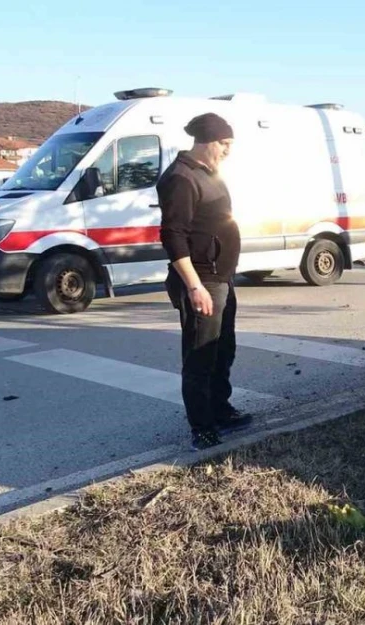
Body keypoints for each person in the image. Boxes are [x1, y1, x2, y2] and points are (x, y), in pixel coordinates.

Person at [158, 112, 249, 451]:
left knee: (223, 349)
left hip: (221, 277)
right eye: (224, 144)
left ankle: (220, 409)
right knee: (200, 355)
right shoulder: (181, 178)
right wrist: (194, 286)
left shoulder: (209, 172)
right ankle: (202, 426)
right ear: (207, 141)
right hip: (202, 279)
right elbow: (173, 235)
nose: (228, 151)